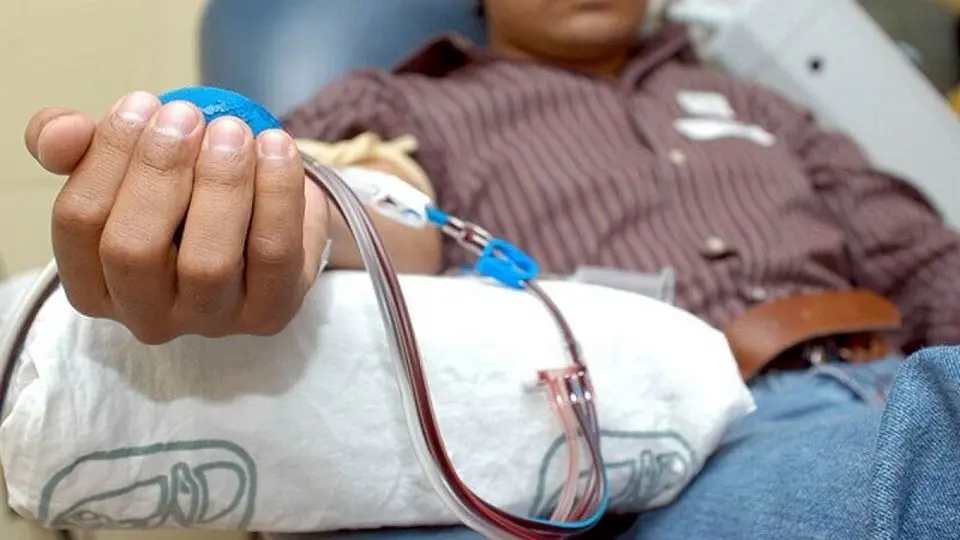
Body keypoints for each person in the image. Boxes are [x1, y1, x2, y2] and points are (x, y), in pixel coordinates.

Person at [19, 0, 960, 538]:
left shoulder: (761, 105)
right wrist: (272, 217)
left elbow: (925, 258)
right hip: (696, 449)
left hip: (903, 372)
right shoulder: (411, 100)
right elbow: (378, 201)